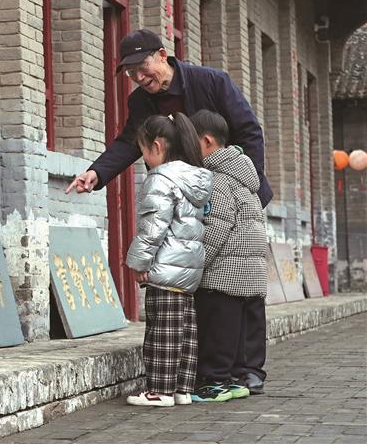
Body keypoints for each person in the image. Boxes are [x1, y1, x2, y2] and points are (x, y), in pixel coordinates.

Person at [65, 28, 273, 209]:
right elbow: (130, 142)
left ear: (162, 55)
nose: (139, 78)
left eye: (143, 67)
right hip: (181, 199)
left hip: (230, 191)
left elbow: (249, 133)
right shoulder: (139, 101)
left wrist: (247, 189)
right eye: (131, 72)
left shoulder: (212, 82)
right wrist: (96, 172)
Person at [124, 113, 213, 407]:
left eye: (144, 151)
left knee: (162, 332)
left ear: (158, 146)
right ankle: (181, 389)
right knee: (185, 332)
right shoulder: (195, 178)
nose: (145, 159)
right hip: (187, 270)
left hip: (165, 268)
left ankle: (160, 390)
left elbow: (153, 227)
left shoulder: (161, 178)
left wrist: (139, 263)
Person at [188, 110, 268, 402]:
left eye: (190, 142)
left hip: (223, 273)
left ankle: (213, 383)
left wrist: (194, 267)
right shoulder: (245, 179)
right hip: (248, 274)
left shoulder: (217, 181)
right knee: (238, 335)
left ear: (207, 142)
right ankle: (238, 379)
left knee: (217, 333)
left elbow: (214, 229)